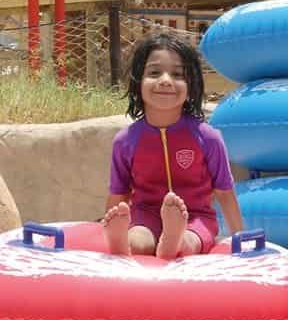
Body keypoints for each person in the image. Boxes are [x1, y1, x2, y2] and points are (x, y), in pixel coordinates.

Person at [103, 33, 245, 259]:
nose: (166, 80)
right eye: (154, 73)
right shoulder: (126, 140)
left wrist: (240, 238)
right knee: (138, 240)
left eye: (178, 74)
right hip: (145, 215)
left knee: (190, 242)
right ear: (138, 81)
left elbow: (225, 193)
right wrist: (111, 219)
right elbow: (119, 194)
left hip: (196, 217)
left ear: (191, 85)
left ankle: (175, 241)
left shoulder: (207, 138)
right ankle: (126, 244)